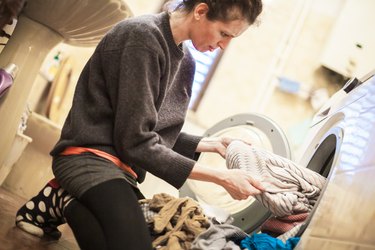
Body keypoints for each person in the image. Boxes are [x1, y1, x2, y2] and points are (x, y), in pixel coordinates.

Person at [15, 0, 264, 249]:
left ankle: (63, 199)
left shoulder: (186, 62)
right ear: (200, 11)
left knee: (151, 242)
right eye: (224, 34)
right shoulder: (142, 38)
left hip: (122, 171)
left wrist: (212, 144)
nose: (223, 45)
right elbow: (136, 140)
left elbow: (153, 131)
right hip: (88, 158)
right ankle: (62, 197)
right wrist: (221, 178)